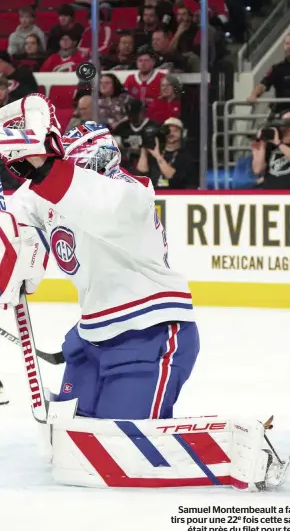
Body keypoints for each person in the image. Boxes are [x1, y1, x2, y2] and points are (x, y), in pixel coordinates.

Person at [0, 93, 199, 423]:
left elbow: (86, 198)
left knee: (124, 449)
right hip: (91, 335)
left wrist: (42, 164)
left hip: (149, 333)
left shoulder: (130, 193)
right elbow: (18, 217)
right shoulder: (58, 193)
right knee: (72, 442)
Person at [251, 110, 290, 189]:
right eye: (286, 123)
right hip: (270, 194)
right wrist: (262, 146)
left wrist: (279, 143)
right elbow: (257, 169)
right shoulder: (270, 145)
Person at [136, 117, 194, 189]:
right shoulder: (156, 151)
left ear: (182, 134)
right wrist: (144, 148)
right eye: (168, 131)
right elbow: (141, 173)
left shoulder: (185, 156)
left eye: (175, 131)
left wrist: (158, 156)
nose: (171, 133)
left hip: (174, 195)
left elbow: (173, 177)